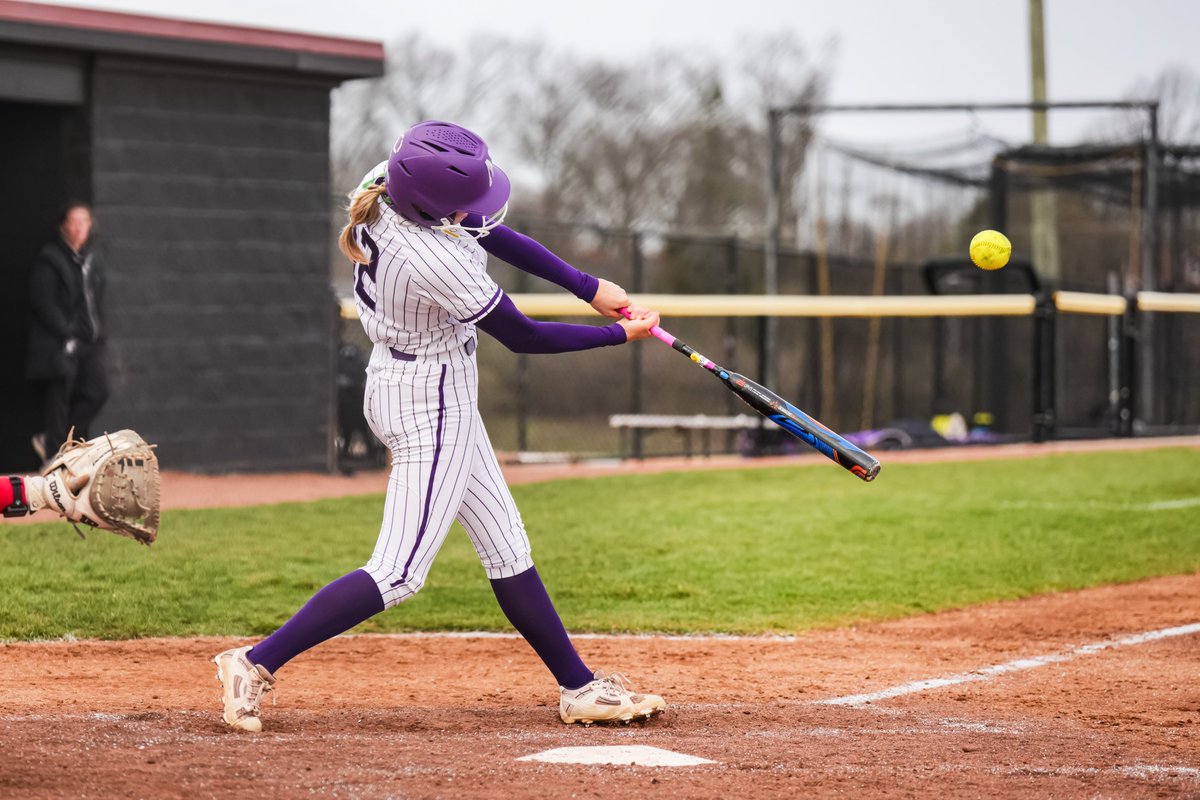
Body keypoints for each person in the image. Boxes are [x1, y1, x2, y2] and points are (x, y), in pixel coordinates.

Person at [213, 120, 666, 733]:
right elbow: (524, 337)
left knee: (507, 544)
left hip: (401, 381)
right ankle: (254, 662)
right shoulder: (429, 257)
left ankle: (578, 687)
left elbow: (491, 231)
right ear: (431, 204)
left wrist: (590, 287)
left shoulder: (390, 184)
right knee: (398, 572)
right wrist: (619, 334)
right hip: (433, 400)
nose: (472, 211)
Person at [27, 202, 109, 462]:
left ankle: (61, 442)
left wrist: (95, 332)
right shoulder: (50, 259)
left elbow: (94, 302)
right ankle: (54, 457)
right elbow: (43, 303)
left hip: (90, 343)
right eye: (74, 222)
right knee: (60, 391)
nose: (79, 227)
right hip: (58, 344)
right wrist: (67, 332)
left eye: (84, 221)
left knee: (98, 389)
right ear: (64, 226)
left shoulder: (91, 261)